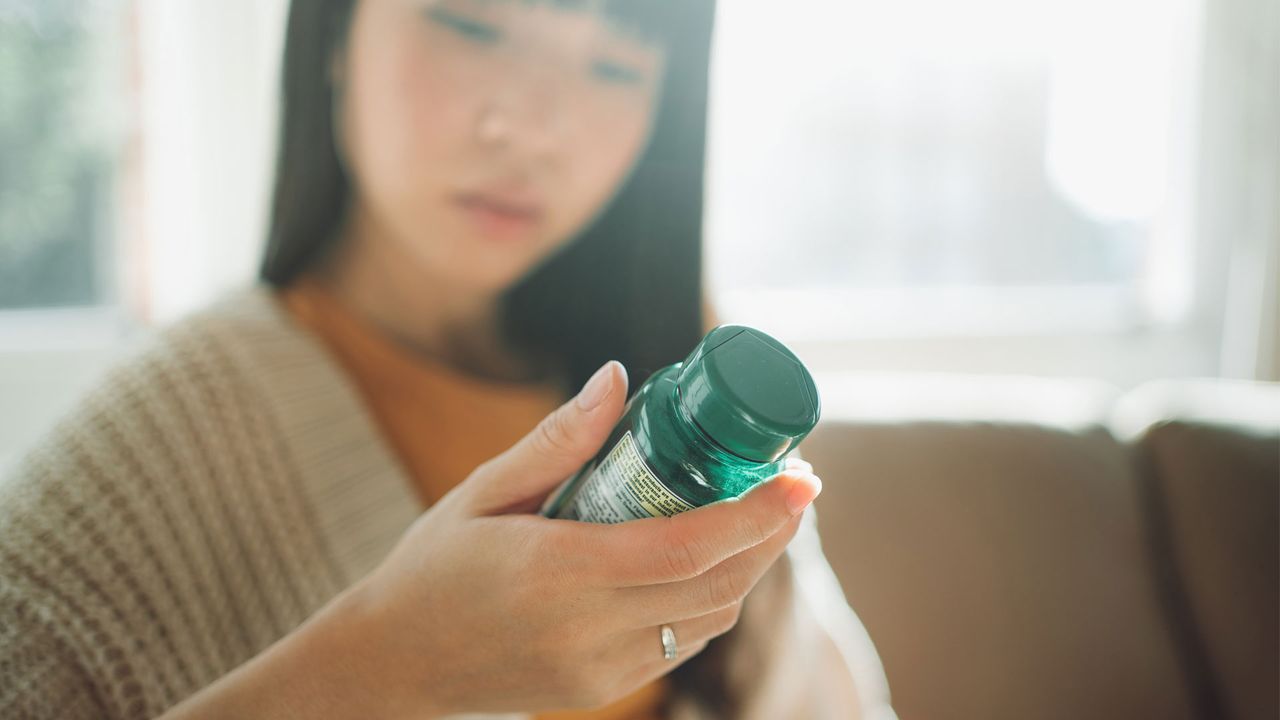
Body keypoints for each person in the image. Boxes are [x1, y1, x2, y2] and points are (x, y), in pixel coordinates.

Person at [0, 0, 894, 718]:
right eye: (474, 24)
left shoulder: (688, 378)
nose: (535, 127)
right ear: (336, 29)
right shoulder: (157, 443)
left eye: (616, 62)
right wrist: (385, 668)